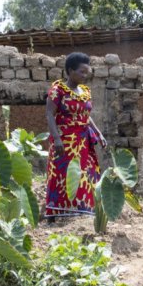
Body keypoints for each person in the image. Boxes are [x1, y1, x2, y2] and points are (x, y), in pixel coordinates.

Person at [44, 52, 106, 220]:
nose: (85, 75)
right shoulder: (58, 90)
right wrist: (56, 139)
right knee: (63, 175)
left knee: (85, 174)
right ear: (71, 71)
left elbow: (86, 115)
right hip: (64, 142)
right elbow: (49, 114)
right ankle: (58, 213)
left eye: (87, 72)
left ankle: (82, 211)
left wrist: (99, 133)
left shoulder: (85, 91)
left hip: (83, 141)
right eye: (82, 72)